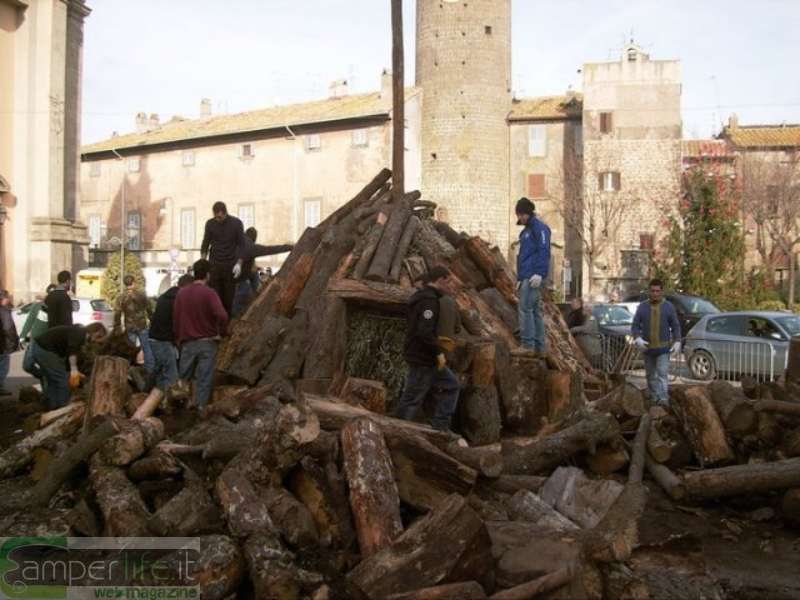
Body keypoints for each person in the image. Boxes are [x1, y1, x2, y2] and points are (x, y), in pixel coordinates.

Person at [393, 266, 460, 432]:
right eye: (449, 281)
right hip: (424, 357)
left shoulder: (425, 297)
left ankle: (440, 426)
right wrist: (438, 352)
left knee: (451, 384)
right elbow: (424, 332)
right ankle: (399, 431)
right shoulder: (429, 301)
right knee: (412, 398)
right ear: (440, 280)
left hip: (426, 356)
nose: (451, 285)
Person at [174, 259, 229, 410]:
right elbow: (222, 315)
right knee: (204, 378)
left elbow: (177, 318)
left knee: (183, 377)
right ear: (208, 275)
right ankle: (200, 409)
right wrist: (222, 331)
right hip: (207, 342)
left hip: (187, 342)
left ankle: (178, 407)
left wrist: (178, 338)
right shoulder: (209, 293)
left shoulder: (182, 293)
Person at [24, 322, 107, 409]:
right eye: (98, 337)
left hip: (41, 347)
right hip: (47, 350)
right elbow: (72, 352)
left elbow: (69, 354)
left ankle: (52, 405)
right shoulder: (80, 333)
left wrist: (73, 370)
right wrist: (73, 370)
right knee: (63, 380)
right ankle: (62, 406)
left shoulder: (77, 332)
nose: (96, 341)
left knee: (53, 380)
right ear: (94, 331)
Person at [632, 279, 681, 406]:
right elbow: (635, 325)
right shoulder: (642, 307)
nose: (655, 294)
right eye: (652, 291)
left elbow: (675, 325)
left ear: (662, 291)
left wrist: (677, 341)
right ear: (649, 291)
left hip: (663, 349)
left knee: (662, 374)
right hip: (647, 348)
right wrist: (637, 338)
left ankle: (664, 399)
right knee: (650, 375)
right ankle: (654, 398)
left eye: (657, 291)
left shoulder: (668, 307)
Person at [231, 227, 293, 318]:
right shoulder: (251, 247)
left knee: (254, 275)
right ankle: (236, 315)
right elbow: (270, 249)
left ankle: (257, 292)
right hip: (237, 278)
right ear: (254, 238)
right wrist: (289, 247)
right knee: (244, 290)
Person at [515, 197, 551, 354]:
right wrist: (519, 278)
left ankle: (528, 344)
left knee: (525, 309)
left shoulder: (540, 229)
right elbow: (523, 256)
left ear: (529, 213)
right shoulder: (526, 232)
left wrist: (540, 273)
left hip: (532, 276)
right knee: (534, 311)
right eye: (518, 214)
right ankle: (539, 347)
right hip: (527, 276)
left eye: (522, 214)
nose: (520, 217)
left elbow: (544, 251)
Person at [148, 273, 193, 394]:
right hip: (163, 340)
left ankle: (148, 393)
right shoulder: (179, 299)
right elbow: (178, 322)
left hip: (155, 337)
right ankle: (169, 402)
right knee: (171, 374)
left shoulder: (165, 296)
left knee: (160, 371)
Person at [200, 201, 246, 316]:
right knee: (214, 298)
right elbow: (205, 244)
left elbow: (242, 245)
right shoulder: (210, 224)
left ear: (225, 213)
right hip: (214, 265)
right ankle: (215, 327)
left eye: (220, 217)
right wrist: (203, 262)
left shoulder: (236, 223)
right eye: (216, 217)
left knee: (228, 300)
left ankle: (226, 325)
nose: (218, 220)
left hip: (230, 265)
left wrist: (239, 263)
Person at [114, 275, 154, 375]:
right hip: (142, 325)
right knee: (146, 347)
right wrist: (152, 319)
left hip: (129, 326)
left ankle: (129, 369)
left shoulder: (121, 297)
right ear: (134, 282)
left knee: (130, 349)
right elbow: (149, 309)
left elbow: (117, 313)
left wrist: (117, 326)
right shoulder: (142, 295)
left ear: (124, 283)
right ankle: (150, 369)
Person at [0, 291, 20, 396]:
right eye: (7, 298)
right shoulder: (4, 312)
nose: (9, 299)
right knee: (3, 365)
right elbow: (8, 328)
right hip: (2, 344)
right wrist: (14, 341)